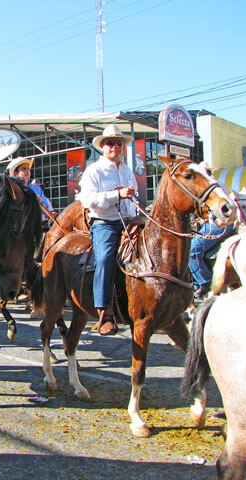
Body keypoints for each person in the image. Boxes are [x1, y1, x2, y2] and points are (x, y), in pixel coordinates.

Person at [79, 124, 138, 336]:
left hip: (128, 220)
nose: (115, 146)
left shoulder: (127, 170)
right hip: (105, 223)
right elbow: (88, 200)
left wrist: (136, 211)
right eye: (110, 143)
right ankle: (105, 312)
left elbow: (134, 196)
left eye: (119, 143)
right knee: (105, 259)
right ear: (102, 147)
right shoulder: (93, 171)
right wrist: (117, 195)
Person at [189, 217, 234, 299]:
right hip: (207, 224)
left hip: (220, 224)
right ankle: (196, 287)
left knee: (192, 250)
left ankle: (208, 284)